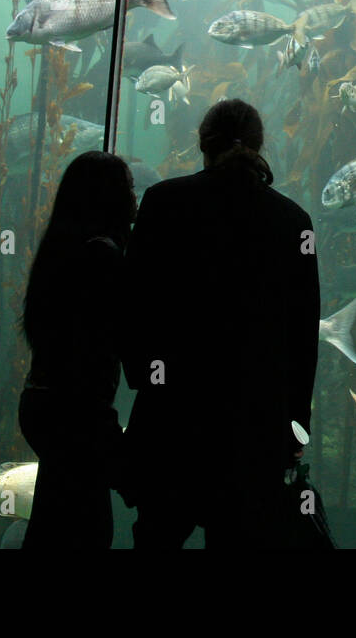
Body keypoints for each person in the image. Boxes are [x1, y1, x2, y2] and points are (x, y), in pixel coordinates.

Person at [121, 99, 321, 548]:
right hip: (254, 427)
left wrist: (143, 378)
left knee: (157, 537)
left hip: (172, 418)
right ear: (259, 146)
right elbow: (303, 338)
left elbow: (133, 304)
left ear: (201, 144)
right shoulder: (296, 223)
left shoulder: (162, 202)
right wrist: (296, 427)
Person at [18, 150, 136, 548]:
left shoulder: (63, 249)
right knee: (87, 529)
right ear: (112, 199)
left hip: (44, 405)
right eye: (130, 189)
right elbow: (109, 349)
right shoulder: (103, 257)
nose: (136, 200)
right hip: (75, 415)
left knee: (53, 523)